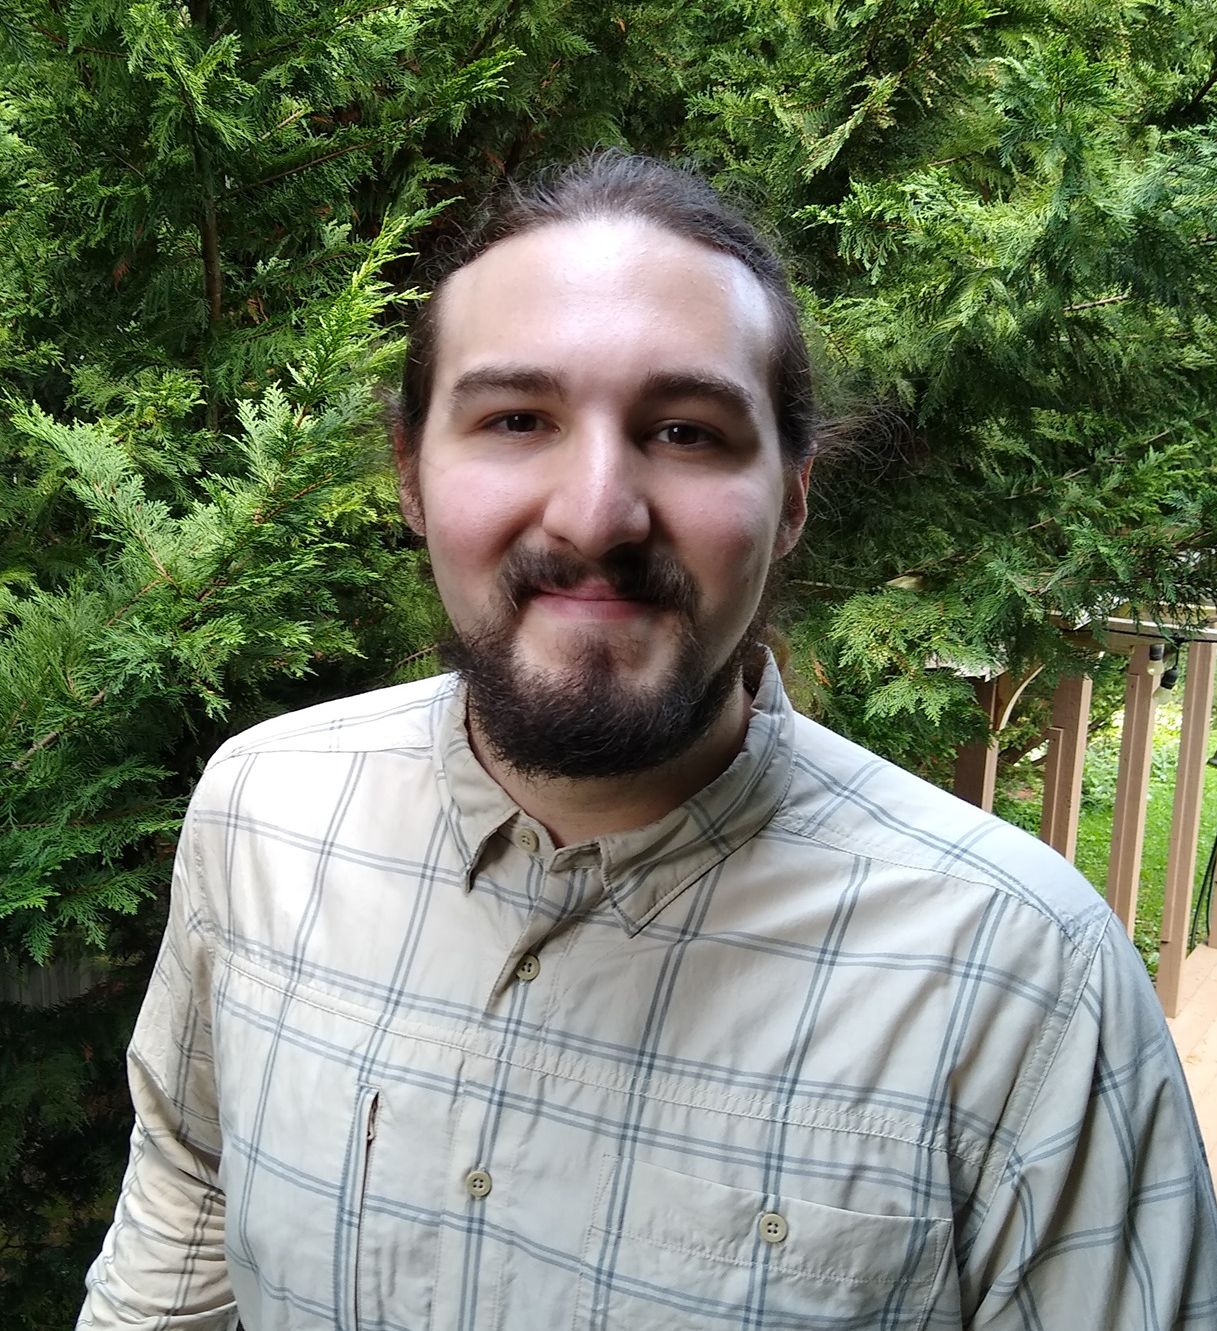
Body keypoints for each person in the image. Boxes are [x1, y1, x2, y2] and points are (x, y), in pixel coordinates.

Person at [79, 153, 1216, 1331]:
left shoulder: (1021, 977)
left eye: (684, 431)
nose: (594, 514)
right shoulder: (261, 812)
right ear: (410, 475)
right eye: (515, 419)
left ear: (790, 499)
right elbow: (184, 1224)